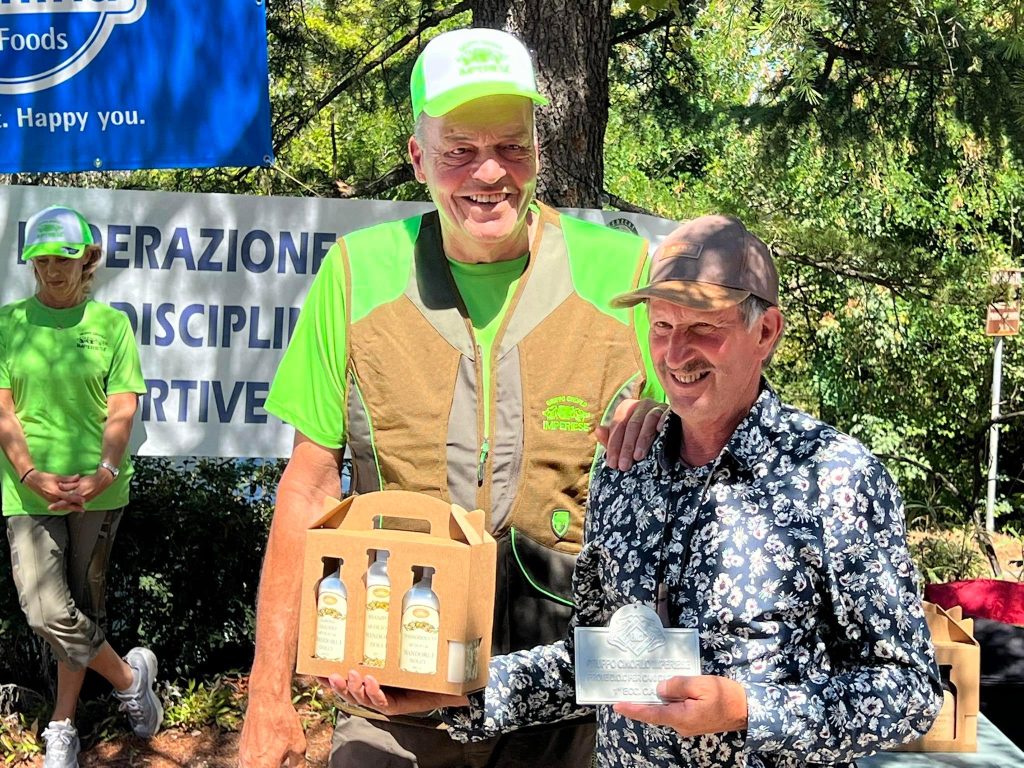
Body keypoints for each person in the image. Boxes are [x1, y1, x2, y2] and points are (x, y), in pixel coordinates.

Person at [333, 215, 945, 768]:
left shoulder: (832, 476)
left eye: (704, 327)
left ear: (766, 332)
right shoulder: (627, 471)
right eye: (662, 326)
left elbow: (909, 690)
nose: (676, 353)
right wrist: (455, 693)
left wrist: (747, 710)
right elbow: (593, 666)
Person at [238, 26, 667, 768]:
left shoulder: (623, 275)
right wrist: (268, 694)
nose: (489, 172)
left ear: (540, 149)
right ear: (417, 158)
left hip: (562, 703)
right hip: (390, 694)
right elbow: (308, 487)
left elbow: (692, 472)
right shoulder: (357, 275)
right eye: (459, 149)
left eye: (511, 146)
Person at [0, 206, 163, 767]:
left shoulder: (111, 326)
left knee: (82, 604)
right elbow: (3, 410)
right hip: (28, 492)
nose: (52, 270)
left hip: (100, 491)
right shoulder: (8, 323)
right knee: (47, 610)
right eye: (43, 259)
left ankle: (62, 726)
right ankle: (130, 679)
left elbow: (123, 407)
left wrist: (104, 472)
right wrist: (30, 473)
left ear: (87, 260)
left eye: (64, 259)